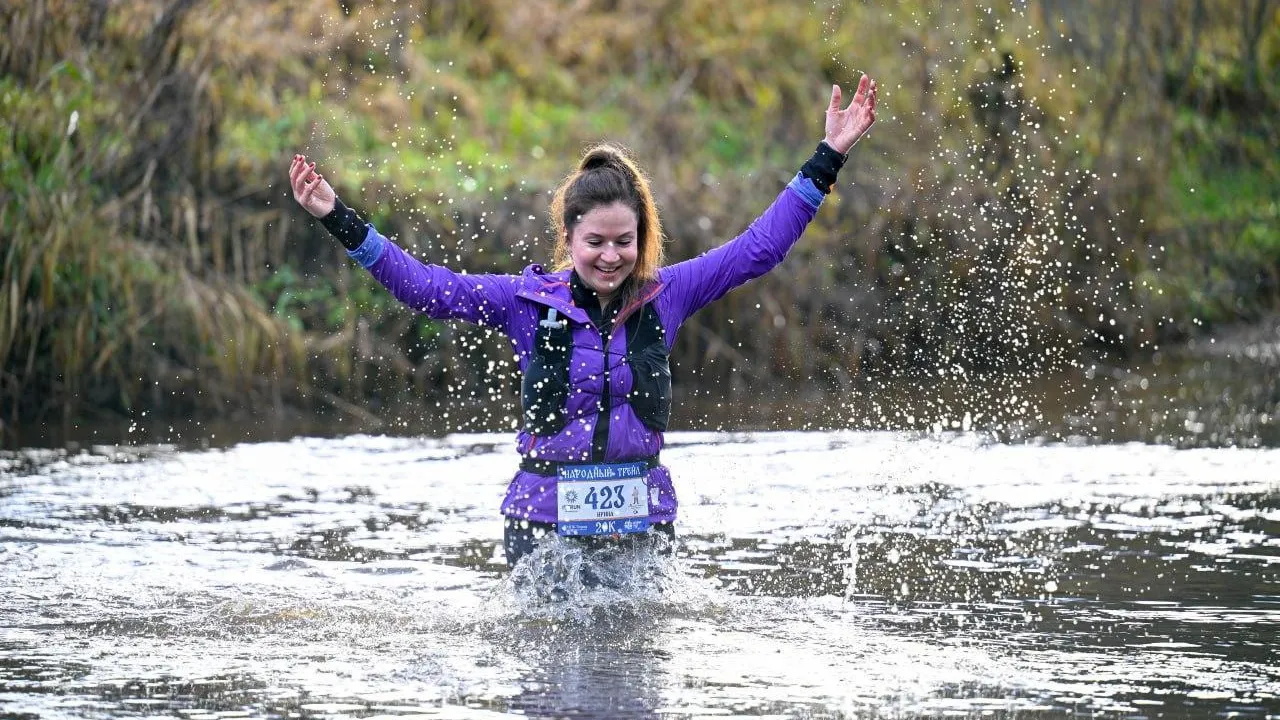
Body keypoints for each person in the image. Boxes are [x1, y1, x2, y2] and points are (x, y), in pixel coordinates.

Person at [289, 75, 878, 569]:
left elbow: (759, 248)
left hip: (641, 528)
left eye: (624, 241)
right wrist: (336, 217)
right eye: (594, 241)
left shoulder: (668, 295)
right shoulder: (523, 301)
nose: (610, 255)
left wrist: (829, 156)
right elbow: (425, 289)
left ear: (641, 239)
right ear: (568, 237)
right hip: (542, 530)